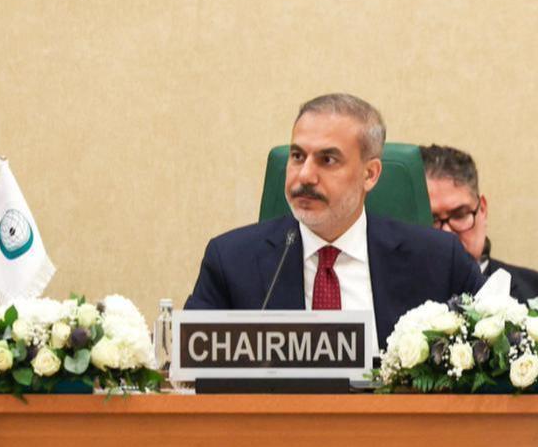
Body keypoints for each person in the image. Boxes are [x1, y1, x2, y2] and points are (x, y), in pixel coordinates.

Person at [186, 93, 484, 351]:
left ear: (370, 175)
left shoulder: (439, 261)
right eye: (297, 156)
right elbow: (192, 373)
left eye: (327, 160)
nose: (305, 176)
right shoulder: (231, 261)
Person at [422, 144, 538, 304]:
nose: (447, 234)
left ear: (483, 210)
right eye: (432, 219)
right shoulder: (397, 299)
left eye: (460, 215)